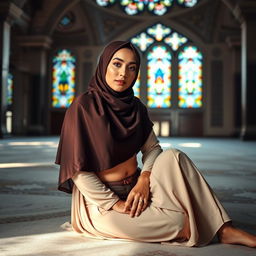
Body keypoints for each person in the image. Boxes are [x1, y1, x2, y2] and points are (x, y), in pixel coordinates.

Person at [55, 41, 256, 247]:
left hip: (137, 190)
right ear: (103, 65)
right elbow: (78, 172)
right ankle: (191, 220)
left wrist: (144, 179)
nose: (123, 73)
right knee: (182, 224)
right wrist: (115, 204)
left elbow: (152, 149)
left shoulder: (136, 107)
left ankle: (226, 230)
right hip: (100, 204)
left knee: (173, 156)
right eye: (117, 64)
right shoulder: (82, 107)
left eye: (131, 67)